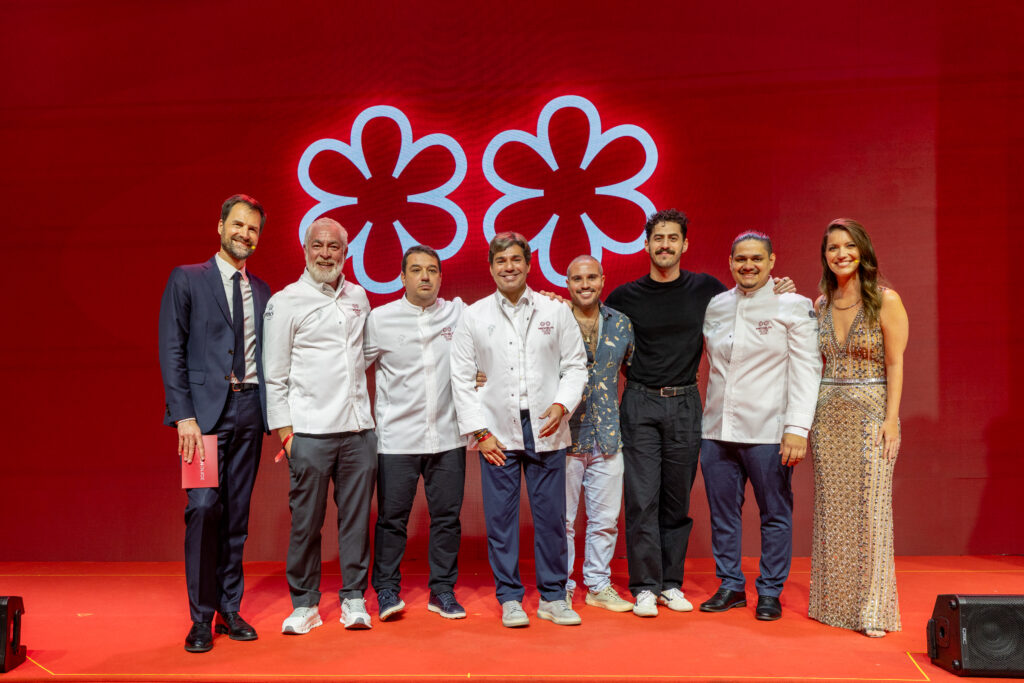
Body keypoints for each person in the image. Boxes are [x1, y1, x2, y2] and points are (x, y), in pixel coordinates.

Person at [604, 209, 794, 617]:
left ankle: (670, 584)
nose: (666, 245)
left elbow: (748, 300)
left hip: (687, 403)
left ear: (685, 245)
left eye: (673, 238)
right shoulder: (623, 297)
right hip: (639, 402)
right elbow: (590, 328)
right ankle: (644, 586)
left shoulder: (707, 290)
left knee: (676, 499)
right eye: (658, 238)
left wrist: (779, 289)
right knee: (641, 499)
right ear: (647, 244)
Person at [450, 232, 588, 628]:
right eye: (500, 261)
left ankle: (552, 597)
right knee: (501, 521)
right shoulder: (474, 316)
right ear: (491, 268)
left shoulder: (554, 310)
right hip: (496, 432)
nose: (508, 267)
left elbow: (575, 365)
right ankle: (510, 597)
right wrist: (480, 432)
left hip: (546, 427)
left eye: (515, 260)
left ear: (528, 264)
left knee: (551, 519)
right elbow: (461, 378)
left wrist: (563, 404)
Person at [158, 194, 270, 653]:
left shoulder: (262, 291)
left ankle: (230, 609)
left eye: (254, 230)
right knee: (204, 509)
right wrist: (183, 415)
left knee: (237, 515)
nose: (245, 235)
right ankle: (200, 618)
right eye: (239, 225)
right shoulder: (187, 279)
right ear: (220, 226)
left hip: (250, 411)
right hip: (202, 419)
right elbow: (172, 350)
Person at [263, 217, 377, 633]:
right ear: (305, 249)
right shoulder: (285, 300)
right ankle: (305, 604)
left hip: (358, 432)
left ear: (345, 252)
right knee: (306, 522)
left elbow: (364, 354)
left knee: (356, 521)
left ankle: (352, 599)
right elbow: (273, 374)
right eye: (318, 245)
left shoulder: (358, 297)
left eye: (334, 247)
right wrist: (286, 433)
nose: (326, 253)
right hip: (309, 434)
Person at [699, 232, 821, 621]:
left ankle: (769, 591)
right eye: (740, 259)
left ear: (771, 262)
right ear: (730, 262)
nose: (747, 266)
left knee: (775, 514)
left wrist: (798, 428)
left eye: (756, 259)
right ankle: (731, 585)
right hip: (717, 431)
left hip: (770, 432)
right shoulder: (716, 306)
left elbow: (807, 369)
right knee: (723, 514)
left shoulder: (794, 305)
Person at [808, 218, 908, 638]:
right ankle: (832, 606)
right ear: (825, 256)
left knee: (870, 512)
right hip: (828, 416)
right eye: (833, 248)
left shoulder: (886, 300)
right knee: (832, 512)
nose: (841, 254)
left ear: (863, 251)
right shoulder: (819, 304)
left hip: (871, 415)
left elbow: (895, 363)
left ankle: (871, 610)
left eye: (849, 246)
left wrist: (891, 420)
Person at [364, 245, 468, 622]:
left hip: (448, 437)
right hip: (397, 440)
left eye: (432, 270)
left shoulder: (460, 313)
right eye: (417, 270)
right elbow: (352, 369)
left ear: (440, 277)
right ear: (402, 276)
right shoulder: (380, 319)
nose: (425, 276)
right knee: (392, 519)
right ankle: (387, 589)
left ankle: (442, 591)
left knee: (447, 518)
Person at [563, 255, 634, 612]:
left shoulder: (621, 324)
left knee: (605, 521)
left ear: (603, 280)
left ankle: (598, 585)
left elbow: (636, 371)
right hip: (561, 438)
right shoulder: (554, 320)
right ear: (568, 282)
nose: (585, 284)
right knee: (561, 522)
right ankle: (559, 585)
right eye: (578, 279)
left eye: (591, 277)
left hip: (608, 437)